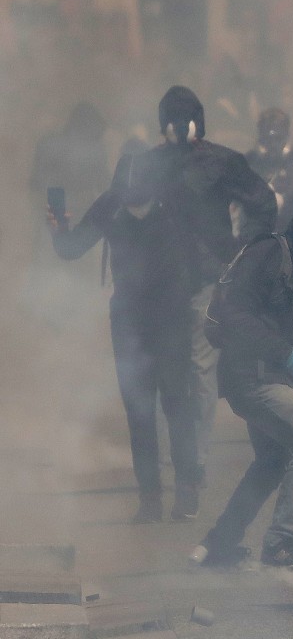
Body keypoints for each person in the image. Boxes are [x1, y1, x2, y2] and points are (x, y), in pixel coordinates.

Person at [192, 189, 293, 571]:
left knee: (273, 460)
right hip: (249, 376)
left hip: (274, 377)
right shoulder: (268, 253)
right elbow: (233, 315)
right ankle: (281, 544)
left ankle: (219, 545)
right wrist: (284, 355)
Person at [49, 149, 202, 524]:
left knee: (169, 408)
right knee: (149, 411)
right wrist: (59, 228)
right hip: (138, 323)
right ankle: (159, 496)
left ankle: (179, 493)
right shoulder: (120, 204)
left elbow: (208, 249)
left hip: (163, 321)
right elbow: (70, 250)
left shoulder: (165, 203)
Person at [152, 86, 278, 482]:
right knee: (167, 368)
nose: (177, 125)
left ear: (196, 122)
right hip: (158, 283)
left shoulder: (223, 162)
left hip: (203, 279)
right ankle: (181, 452)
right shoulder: (150, 165)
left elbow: (263, 203)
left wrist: (243, 251)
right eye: (170, 118)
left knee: (199, 367)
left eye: (183, 117)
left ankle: (196, 459)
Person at [245, 108, 293, 228]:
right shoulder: (249, 161)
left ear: (286, 135)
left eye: (278, 138)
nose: (272, 144)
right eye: (267, 138)